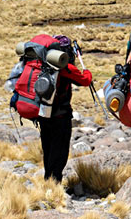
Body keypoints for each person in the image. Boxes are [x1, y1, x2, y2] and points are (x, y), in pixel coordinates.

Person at [38, 35, 92, 182]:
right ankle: (55, 182)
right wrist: (86, 71)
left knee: (48, 148)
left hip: (43, 114)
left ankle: (47, 179)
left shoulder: (43, 64)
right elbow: (86, 80)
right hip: (60, 117)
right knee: (60, 151)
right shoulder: (66, 67)